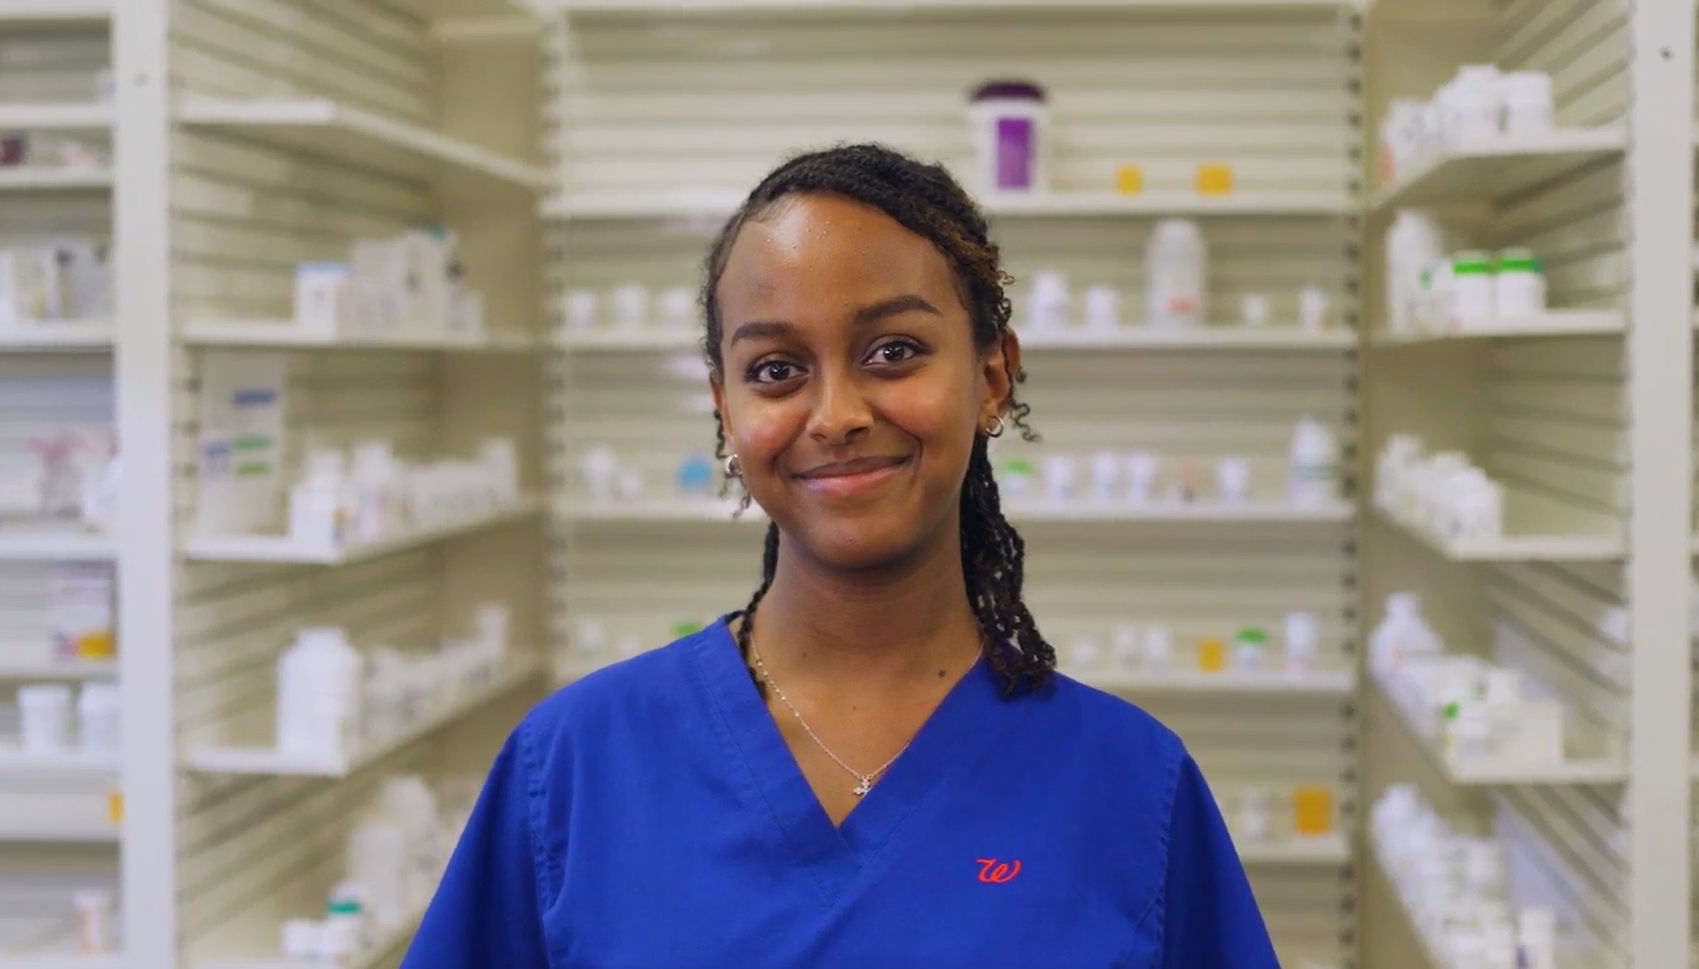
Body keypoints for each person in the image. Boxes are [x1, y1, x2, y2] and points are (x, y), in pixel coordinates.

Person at [401, 143, 1280, 969]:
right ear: (724, 409)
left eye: (892, 352)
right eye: (777, 368)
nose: (836, 414)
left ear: (991, 378)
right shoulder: (575, 768)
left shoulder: (1131, 786)